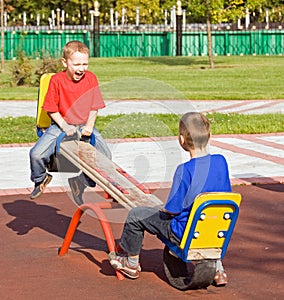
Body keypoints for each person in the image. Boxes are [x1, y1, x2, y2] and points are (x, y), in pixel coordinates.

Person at [108, 112, 231, 286]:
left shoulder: (185, 170)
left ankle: (130, 263)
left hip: (184, 233)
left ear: (181, 140)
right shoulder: (221, 162)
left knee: (136, 215)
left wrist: (163, 209)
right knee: (208, 219)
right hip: (215, 231)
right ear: (209, 136)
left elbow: (173, 209)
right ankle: (218, 269)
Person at [29, 40, 111, 205]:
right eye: (77, 64)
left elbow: (94, 106)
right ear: (65, 62)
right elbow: (51, 109)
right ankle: (40, 178)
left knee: (106, 158)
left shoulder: (91, 79)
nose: (81, 68)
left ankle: (80, 182)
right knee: (36, 154)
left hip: (84, 125)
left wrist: (89, 126)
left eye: (85, 64)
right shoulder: (57, 81)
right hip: (60, 125)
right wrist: (64, 126)